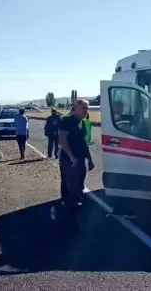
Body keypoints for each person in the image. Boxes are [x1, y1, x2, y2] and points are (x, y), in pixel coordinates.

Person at [58, 99, 94, 233]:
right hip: (69, 161)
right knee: (74, 191)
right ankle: (69, 222)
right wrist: (72, 157)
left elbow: (84, 143)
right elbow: (62, 139)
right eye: (83, 108)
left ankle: (68, 209)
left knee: (77, 188)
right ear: (76, 108)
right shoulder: (67, 121)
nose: (86, 111)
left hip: (80, 161)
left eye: (87, 108)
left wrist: (89, 159)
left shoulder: (83, 124)